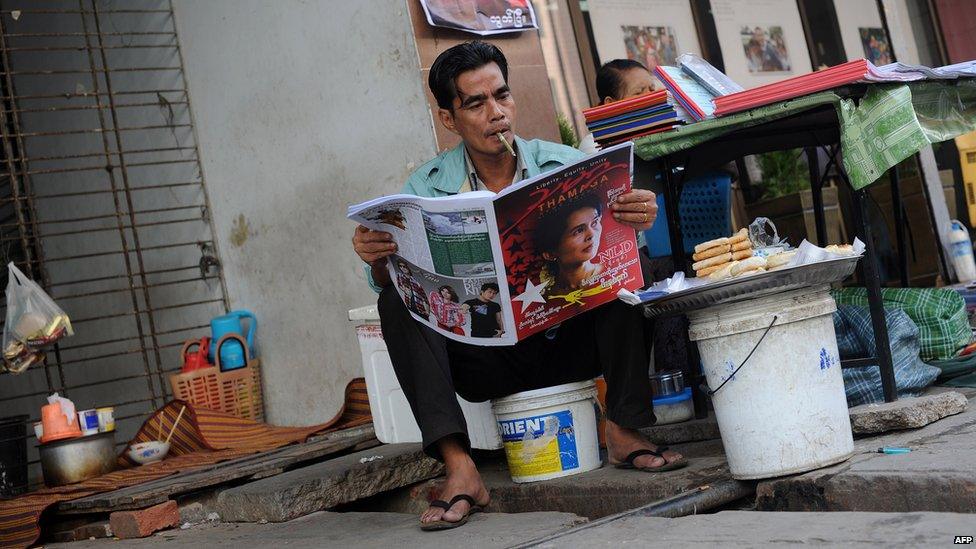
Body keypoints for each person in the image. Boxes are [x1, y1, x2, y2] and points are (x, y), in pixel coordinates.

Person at [351, 41, 682, 532]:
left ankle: (624, 428)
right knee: (395, 301)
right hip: (487, 361)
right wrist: (378, 259)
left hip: (570, 342)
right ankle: (460, 467)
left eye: (502, 96)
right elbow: (395, 280)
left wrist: (638, 218)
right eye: (476, 104)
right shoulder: (423, 190)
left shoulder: (565, 165)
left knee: (636, 262)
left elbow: (619, 240)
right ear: (449, 119)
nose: (496, 113)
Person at [578, 59, 656, 155]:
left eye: (652, 89)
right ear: (611, 104)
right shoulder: (594, 145)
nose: (651, 96)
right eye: (639, 92)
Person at [536, 193, 605, 298]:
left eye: (594, 223)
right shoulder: (547, 298)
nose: (591, 234)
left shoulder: (610, 273)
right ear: (550, 254)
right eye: (579, 231)